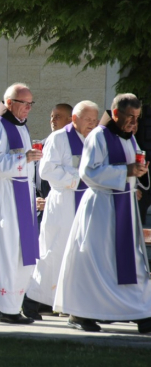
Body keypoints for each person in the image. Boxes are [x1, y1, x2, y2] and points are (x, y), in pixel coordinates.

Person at [54, 93, 151, 333]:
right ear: (116, 113)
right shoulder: (99, 135)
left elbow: (133, 166)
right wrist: (127, 171)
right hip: (101, 208)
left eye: (137, 118)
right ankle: (81, 313)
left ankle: (141, 311)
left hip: (124, 206)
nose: (134, 123)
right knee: (97, 261)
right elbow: (88, 172)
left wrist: (139, 174)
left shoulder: (129, 138)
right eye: (130, 116)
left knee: (132, 261)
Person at [25, 101, 99, 320]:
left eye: (95, 121)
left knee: (80, 256)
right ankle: (30, 302)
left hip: (86, 205)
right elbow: (47, 170)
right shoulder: (59, 138)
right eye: (88, 120)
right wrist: (79, 177)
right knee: (53, 255)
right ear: (74, 119)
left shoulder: (94, 140)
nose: (92, 124)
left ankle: (73, 306)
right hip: (63, 205)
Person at [0, 83, 41, 324]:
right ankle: (6, 309)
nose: (28, 108)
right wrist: (22, 158)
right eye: (24, 103)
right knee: (6, 251)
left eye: (30, 103)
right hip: (4, 199)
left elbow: (23, 164)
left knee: (18, 253)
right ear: (10, 102)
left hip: (21, 199)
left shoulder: (20, 127)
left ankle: (4, 303)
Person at [23, 103, 73, 317]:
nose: (53, 120)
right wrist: (36, 198)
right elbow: (39, 176)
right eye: (52, 116)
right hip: (47, 205)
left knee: (61, 255)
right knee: (46, 255)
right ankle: (35, 299)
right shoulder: (44, 144)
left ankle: (56, 301)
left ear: (71, 119)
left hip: (63, 204)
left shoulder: (76, 142)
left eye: (58, 116)